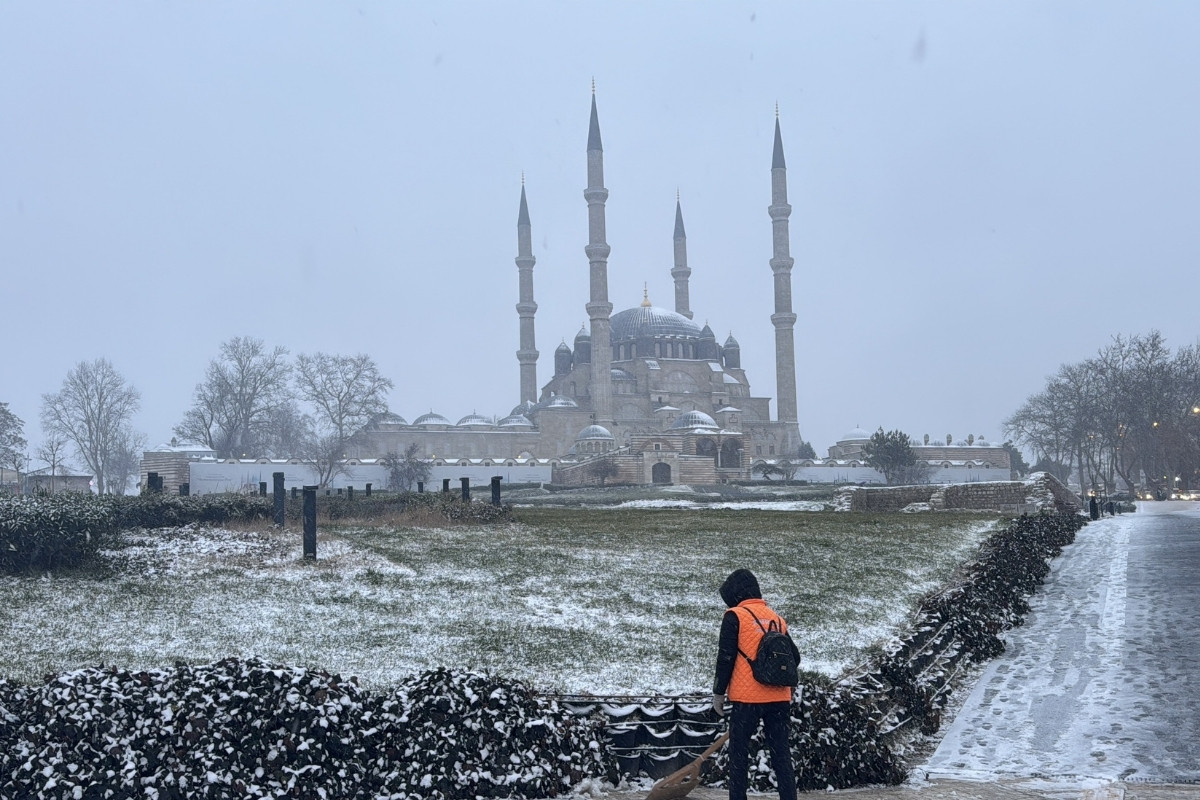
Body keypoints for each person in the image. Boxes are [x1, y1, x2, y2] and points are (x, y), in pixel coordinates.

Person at [711, 568, 798, 800]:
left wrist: (718, 693)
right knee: (781, 756)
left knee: (739, 758)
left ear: (735, 595)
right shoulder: (776, 619)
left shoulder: (735, 616)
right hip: (779, 698)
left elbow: (726, 657)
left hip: (747, 700)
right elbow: (795, 658)